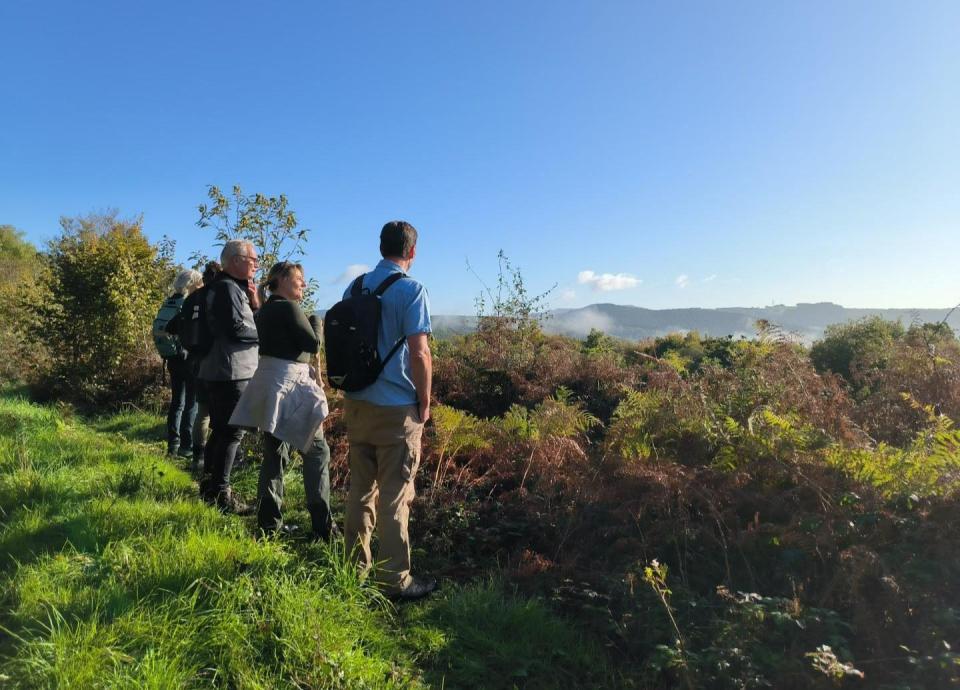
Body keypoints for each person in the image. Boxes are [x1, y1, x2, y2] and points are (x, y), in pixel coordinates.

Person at [343, 220, 435, 600]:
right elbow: (420, 352)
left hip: (357, 403)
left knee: (360, 490)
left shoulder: (355, 285)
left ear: (381, 247)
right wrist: (425, 402)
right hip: (397, 409)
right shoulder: (412, 290)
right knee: (396, 496)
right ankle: (395, 578)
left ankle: (354, 569)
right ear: (412, 252)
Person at [229, 261, 336, 539]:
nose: (303, 283)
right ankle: (322, 526)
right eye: (299, 278)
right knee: (317, 453)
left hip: (269, 382)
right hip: (292, 387)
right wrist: (316, 321)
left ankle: (268, 525)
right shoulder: (289, 307)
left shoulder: (264, 311)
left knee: (275, 455)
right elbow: (312, 344)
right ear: (281, 280)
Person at [198, 240, 260, 513]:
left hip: (221, 369)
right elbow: (234, 329)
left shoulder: (228, 288)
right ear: (236, 260)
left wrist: (255, 305)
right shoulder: (226, 288)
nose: (256, 263)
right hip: (230, 371)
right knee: (232, 432)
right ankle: (222, 494)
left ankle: (210, 488)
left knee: (222, 430)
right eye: (253, 259)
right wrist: (264, 332)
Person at [169, 261, 221, 474]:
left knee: (199, 410)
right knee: (211, 412)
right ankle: (211, 460)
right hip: (213, 362)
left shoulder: (188, 301)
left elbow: (171, 327)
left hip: (189, 359)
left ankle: (192, 455)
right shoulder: (215, 299)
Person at [156, 269, 202, 457]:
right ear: (193, 284)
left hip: (171, 357)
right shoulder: (189, 304)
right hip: (187, 357)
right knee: (192, 403)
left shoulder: (169, 302)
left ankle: (172, 445)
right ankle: (186, 445)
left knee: (177, 402)